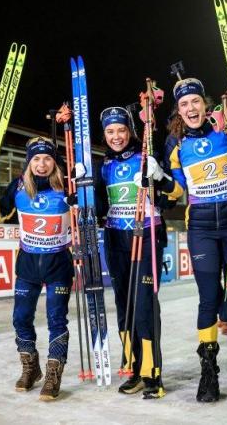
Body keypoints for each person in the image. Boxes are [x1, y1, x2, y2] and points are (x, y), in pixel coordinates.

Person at [156, 78, 227, 402]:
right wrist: (161, 180)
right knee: (209, 298)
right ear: (178, 110)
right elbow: (178, 191)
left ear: (205, 105)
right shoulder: (175, 144)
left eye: (195, 102)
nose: (191, 109)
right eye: (184, 104)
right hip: (202, 228)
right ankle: (209, 371)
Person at [0, 137, 73, 401]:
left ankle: (54, 372)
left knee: (57, 319)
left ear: (54, 162)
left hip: (58, 263)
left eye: (47, 158)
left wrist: (82, 195)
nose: (42, 164)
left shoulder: (66, 186)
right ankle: (30, 367)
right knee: (21, 317)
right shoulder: (19, 186)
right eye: (36, 159)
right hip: (27, 264)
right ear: (29, 162)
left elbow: (91, 211)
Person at [91, 106, 169, 398]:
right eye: (110, 132)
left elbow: (170, 196)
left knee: (145, 303)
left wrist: (156, 179)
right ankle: (134, 367)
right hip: (115, 237)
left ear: (130, 131)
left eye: (121, 130)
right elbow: (99, 208)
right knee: (124, 303)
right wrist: (81, 190)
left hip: (146, 233)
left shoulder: (146, 155)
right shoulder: (104, 165)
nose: (116, 136)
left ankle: (152, 372)